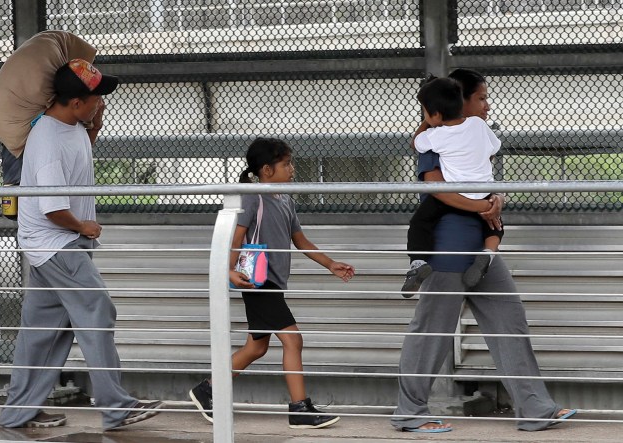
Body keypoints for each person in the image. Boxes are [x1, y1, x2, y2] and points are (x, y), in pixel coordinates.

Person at [391, 69, 576, 433]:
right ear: (461, 99)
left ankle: (534, 408)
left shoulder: (477, 138)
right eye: (481, 99)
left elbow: (487, 185)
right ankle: (409, 412)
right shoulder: (435, 142)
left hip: (482, 251)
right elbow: (437, 192)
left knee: (510, 321)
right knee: (432, 331)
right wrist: (484, 206)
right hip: (446, 251)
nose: (487, 106)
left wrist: (496, 199)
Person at [0, 59, 162, 431]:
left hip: (51, 244)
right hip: (58, 242)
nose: (101, 103)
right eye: (97, 98)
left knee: (41, 333)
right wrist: (83, 226)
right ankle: (116, 407)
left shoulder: (69, 125)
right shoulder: (49, 140)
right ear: (75, 102)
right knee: (97, 310)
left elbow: (78, 158)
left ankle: (18, 412)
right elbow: (53, 207)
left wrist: (96, 128)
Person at [188, 137, 356, 429]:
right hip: (257, 282)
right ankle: (299, 409)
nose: (292, 169)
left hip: (274, 283)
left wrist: (330, 264)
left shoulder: (286, 200)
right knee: (293, 339)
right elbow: (236, 236)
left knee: (256, 348)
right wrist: (228, 270)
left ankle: (207, 390)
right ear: (266, 169)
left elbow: (300, 240)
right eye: (286, 163)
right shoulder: (252, 196)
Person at [401, 77, 503, 297]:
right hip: (484, 193)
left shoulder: (434, 136)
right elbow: (494, 148)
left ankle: (417, 263)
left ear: (435, 114)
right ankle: (488, 254)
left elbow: (414, 143)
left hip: (453, 195)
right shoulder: (478, 125)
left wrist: (429, 122)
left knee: (420, 222)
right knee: (495, 225)